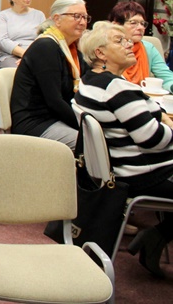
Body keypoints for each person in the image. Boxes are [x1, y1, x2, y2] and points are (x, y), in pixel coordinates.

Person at [75, 21, 173, 278]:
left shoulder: (90, 82)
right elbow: (152, 139)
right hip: (142, 174)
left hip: (121, 169)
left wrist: (160, 117)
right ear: (100, 53)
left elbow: (148, 114)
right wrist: (165, 123)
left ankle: (155, 236)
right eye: (119, 41)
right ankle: (157, 235)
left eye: (127, 40)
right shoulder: (117, 88)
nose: (129, 44)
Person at [10, 0, 88, 149]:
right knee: (95, 145)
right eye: (76, 16)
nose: (83, 22)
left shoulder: (73, 48)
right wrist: (87, 126)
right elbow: (54, 101)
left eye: (85, 17)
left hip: (57, 118)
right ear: (57, 19)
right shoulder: (46, 47)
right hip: (37, 122)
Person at [108, 1, 173, 91]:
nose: (140, 28)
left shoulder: (148, 48)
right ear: (116, 25)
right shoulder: (106, 48)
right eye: (133, 23)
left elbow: (167, 77)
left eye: (142, 23)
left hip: (142, 98)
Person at [0, 0, 45, 68]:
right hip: (10, 55)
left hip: (35, 55)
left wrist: (32, 56)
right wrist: (25, 55)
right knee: (20, 71)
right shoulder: (3, 15)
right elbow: (2, 40)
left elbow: (44, 38)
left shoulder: (39, 14)